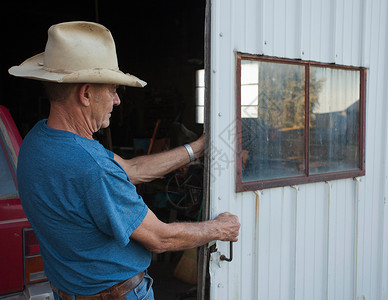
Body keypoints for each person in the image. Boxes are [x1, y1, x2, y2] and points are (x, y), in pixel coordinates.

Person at [9, 21, 240, 300]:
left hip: (67, 292)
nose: (117, 101)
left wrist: (196, 149)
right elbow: (160, 237)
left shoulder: (37, 139)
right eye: (113, 90)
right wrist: (218, 228)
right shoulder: (92, 167)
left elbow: (131, 169)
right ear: (86, 94)